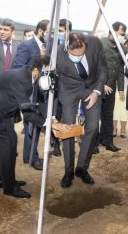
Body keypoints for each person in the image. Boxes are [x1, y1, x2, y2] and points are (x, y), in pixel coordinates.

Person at [0, 55, 70, 198]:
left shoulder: (32, 77)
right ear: (36, 70)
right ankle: (9, 187)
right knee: (6, 144)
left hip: (2, 109)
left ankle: (3, 179)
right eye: (46, 73)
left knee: (12, 141)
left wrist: (52, 120)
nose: (49, 77)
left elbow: (40, 102)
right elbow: (28, 115)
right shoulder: (22, 80)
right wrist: (50, 124)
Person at [57, 32, 108, 188]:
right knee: (68, 129)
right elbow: (55, 76)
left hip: (92, 88)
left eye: (81, 54)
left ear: (86, 45)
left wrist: (97, 91)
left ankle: (82, 168)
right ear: (67, 49)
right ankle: (68, 171)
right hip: (69, 89)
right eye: (74, 55)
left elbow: (103, 68)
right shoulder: (58, 52)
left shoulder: (95, 43)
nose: (78, 57)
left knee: (92, 128)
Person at [13, 19, 51, 169]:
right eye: (49, 32)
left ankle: (30, 155)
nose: (51, 35)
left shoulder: (48, 46)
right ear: (41, 31)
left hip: (41, 91)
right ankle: (31, 157)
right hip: (30, 91)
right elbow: (18, 68)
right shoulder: (26, 46)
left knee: (37, 123)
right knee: (31, 124)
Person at [0, 18, 20, 160]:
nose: (2, 32)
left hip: (13, 90)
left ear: (12, 31)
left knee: (10, 119)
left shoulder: (19, 46)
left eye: (5, 29)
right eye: (0, 29)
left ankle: (10, 147)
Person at [98, 21, 127, 152]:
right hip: (98, 86)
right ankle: (92, 143)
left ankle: (108, 141)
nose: (123, 36)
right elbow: (95, 65)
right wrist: (101, 84)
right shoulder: (101, 43)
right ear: (113, 31)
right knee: (94, 115)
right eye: (121, 34)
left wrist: (120, 88)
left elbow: (121, 69)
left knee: (109, 114)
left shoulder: (123, 47)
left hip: (111, 87)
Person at [52, 19, 73, 157]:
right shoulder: (51, 45)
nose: (58, 34)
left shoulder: (75, 46)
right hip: (54, 88)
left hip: (69, 89)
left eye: (61, 31)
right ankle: (56, 145)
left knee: (68, 117)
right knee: (55, 115)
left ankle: (67, 143)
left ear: (68, 32)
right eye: (57, 31)